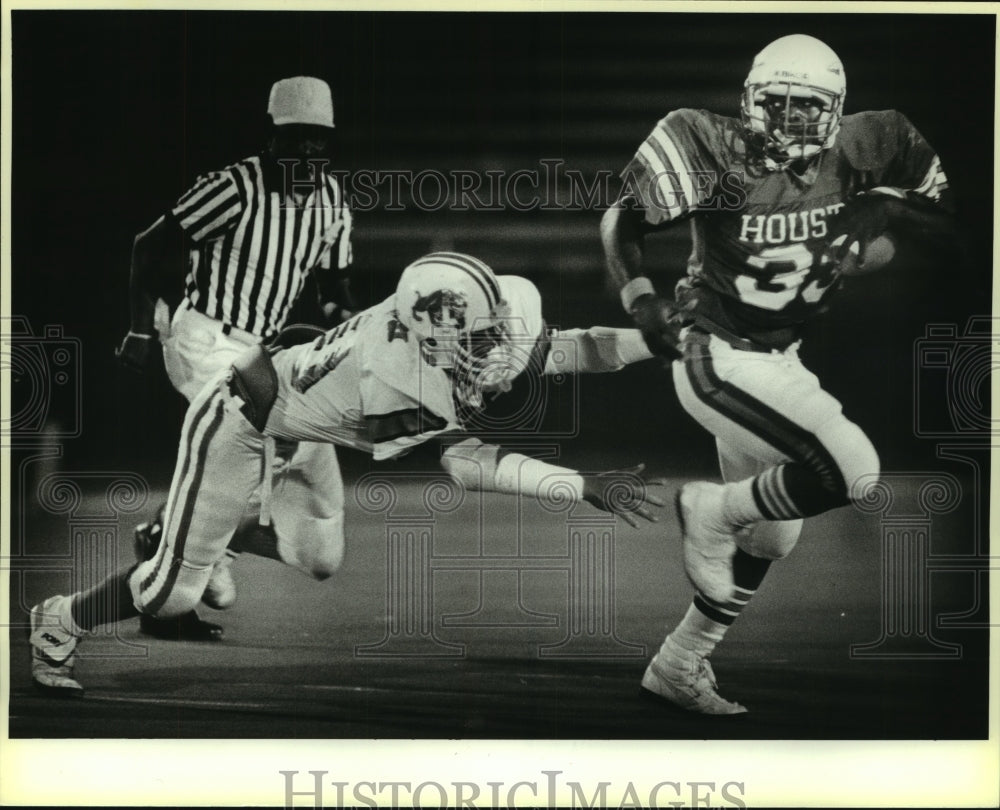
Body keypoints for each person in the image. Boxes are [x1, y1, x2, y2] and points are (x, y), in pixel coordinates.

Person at [30, 252, 662, 696]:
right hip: (240, 423)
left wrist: (655, 340)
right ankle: (60, 619)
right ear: (430, 335)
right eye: (478, 340)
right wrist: (580, 485)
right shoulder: (403, 385)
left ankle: (197, 534)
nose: (495, 352)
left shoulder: (438, 322)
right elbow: (467, 462)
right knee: (172, 596)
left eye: (488, 330)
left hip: (300, 420)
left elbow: (571, 345)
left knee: (320, 553)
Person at [600, 34, 955, 714]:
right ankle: (706, 509)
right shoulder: (704, 142)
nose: (790, 119)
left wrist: (889, 209)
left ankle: (679, 662)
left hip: (780, 356)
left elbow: (947, 223)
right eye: (777, 103)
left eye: (806, 108)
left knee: (773, 535)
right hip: (715, 350)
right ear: (748, 102)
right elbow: (624, 218)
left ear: (836, 112)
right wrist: (640, 297)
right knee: (854, 470)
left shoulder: (876, 143)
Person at [115, 76, 355, 641]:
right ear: (273, 135)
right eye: (298, 137)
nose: (309, 150)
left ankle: (170, 533)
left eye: (319, 138)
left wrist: (353, 324)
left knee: (323, 549)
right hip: (206, 339)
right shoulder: (234, 187)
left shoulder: (335, 201)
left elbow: (333, 289)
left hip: (267, 351)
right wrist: (137, 329)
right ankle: (184, 571)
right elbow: (148, 245)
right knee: (253, 443)